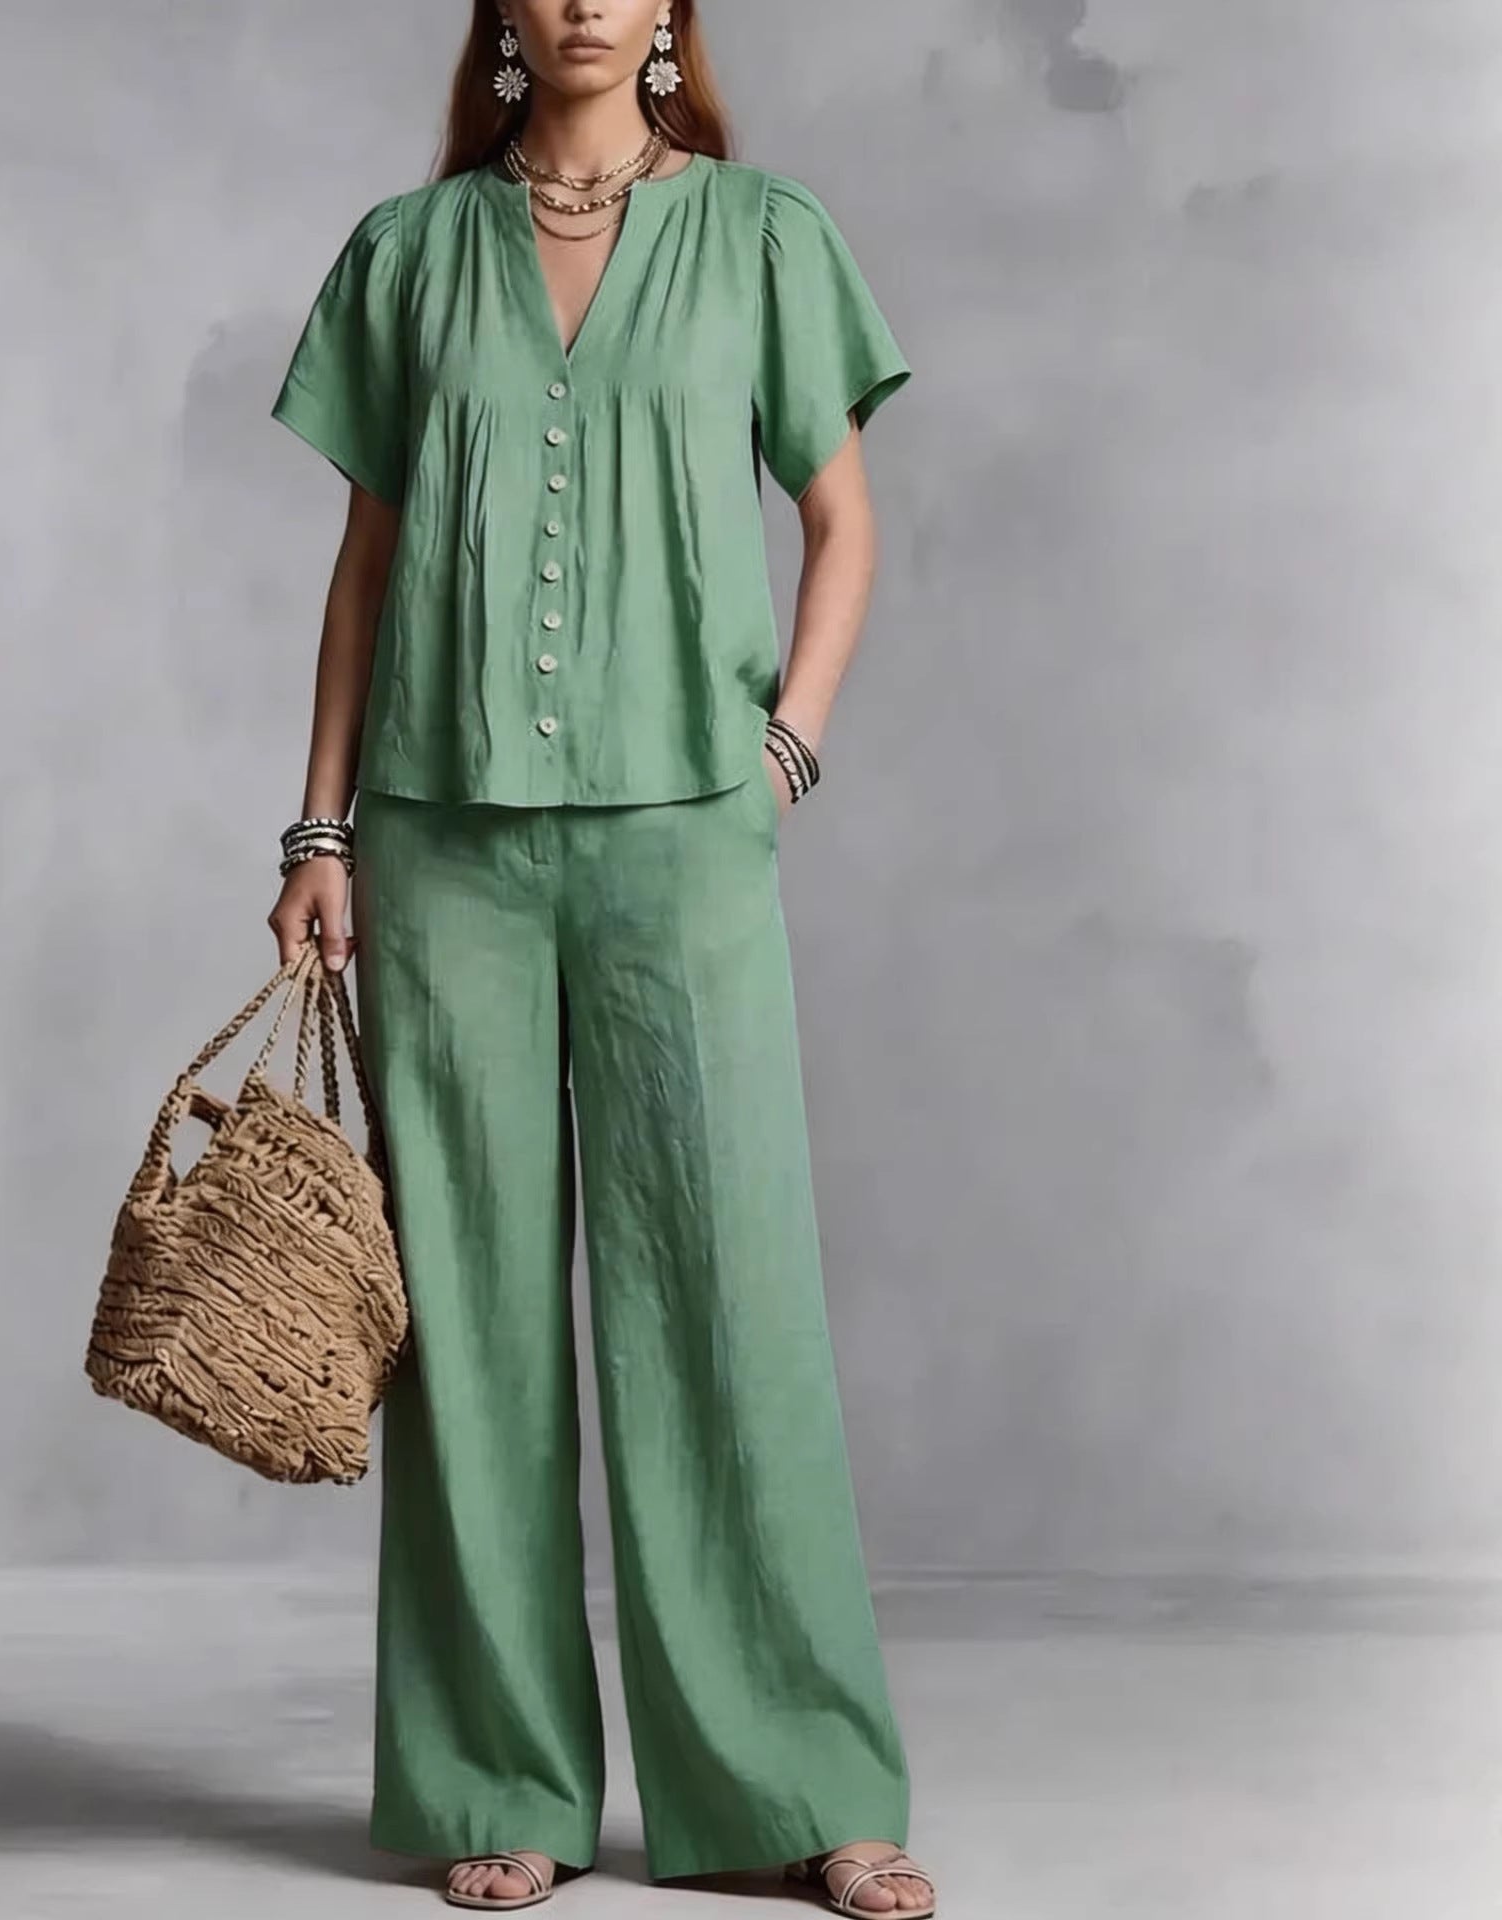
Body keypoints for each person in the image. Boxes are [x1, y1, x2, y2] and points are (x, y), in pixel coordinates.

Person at [265, 4, 934, 1913]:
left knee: (727, 1300)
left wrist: (784, 743)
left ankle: (800, 1785)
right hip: (442, 835)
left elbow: (841, 519)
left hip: (682, 840)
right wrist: (319, 831)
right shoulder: (411, 253)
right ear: (503, 12)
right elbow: (368, 564)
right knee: (468, 1325)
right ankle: (502, 1780)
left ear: (667, 16)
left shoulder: (765, 233)